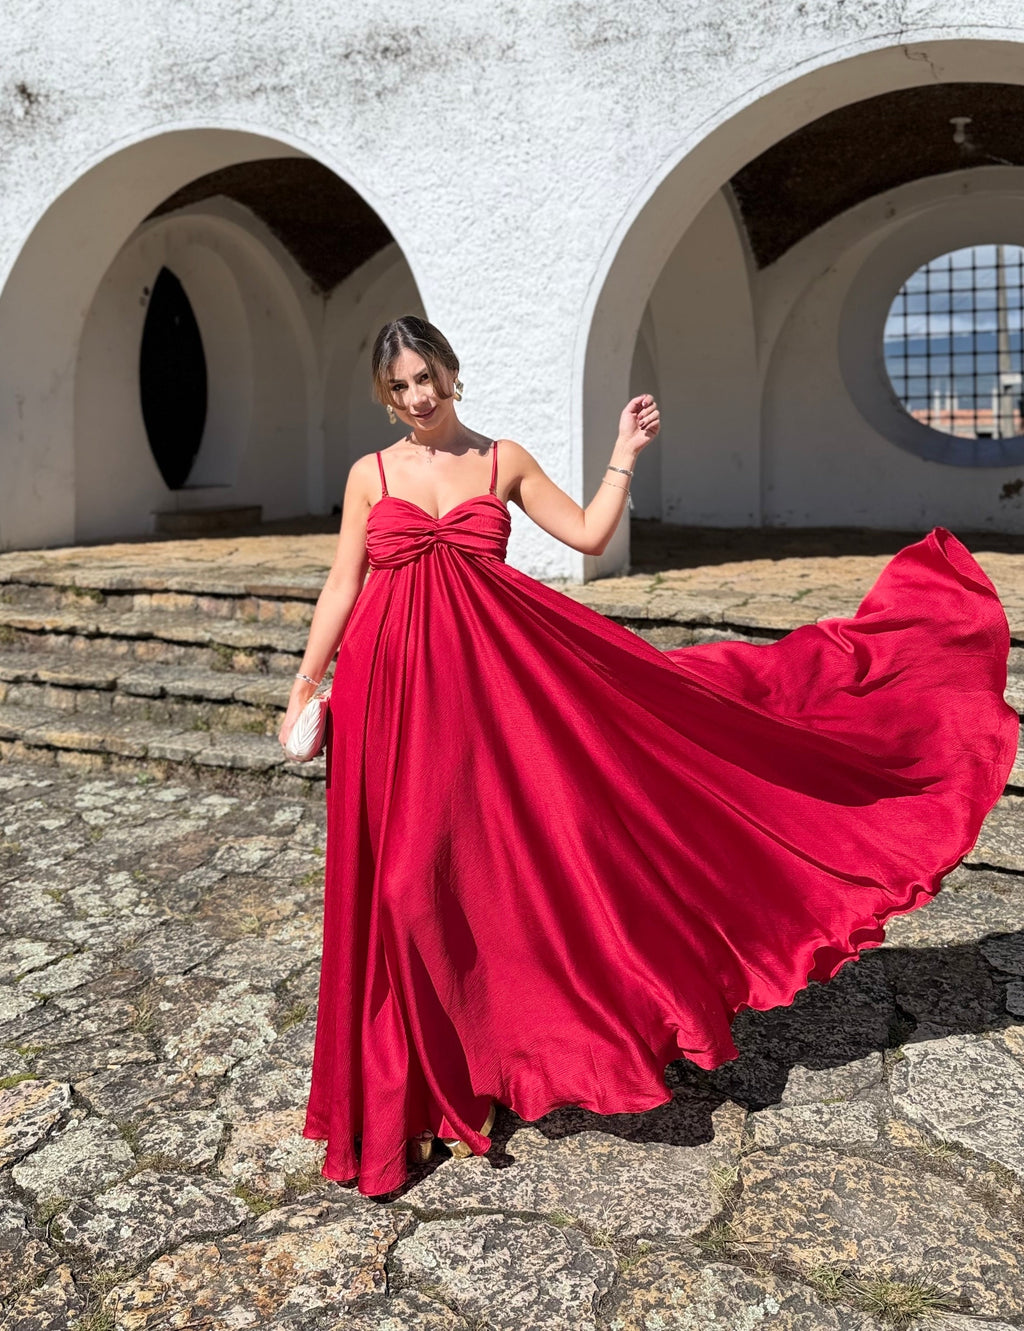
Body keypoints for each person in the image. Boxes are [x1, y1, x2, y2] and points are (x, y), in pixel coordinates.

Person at [281, 315, 1018, 1199]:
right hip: (391, 696)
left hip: (488, 701)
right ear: (384, 394)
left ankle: (494, 1059)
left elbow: (588, 535)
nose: (417, 397)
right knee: (400, 889)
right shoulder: (371, 474)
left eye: (425, 377)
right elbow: (344, 582)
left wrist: (625, 452)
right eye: (399, 387)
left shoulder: (500, 460)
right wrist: (307, 677)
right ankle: (420, 1089)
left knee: (472, 880)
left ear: (449, 371)